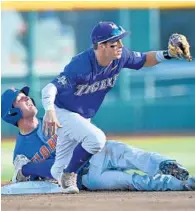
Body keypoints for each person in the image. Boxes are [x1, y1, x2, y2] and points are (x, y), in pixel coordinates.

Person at [41, 21, 192, 193]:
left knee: (59, 168)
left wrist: (168, 54)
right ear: (101, 46)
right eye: (115, 42)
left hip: (82, 118)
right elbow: (50, 87)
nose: (120, 45)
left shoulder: (120, 57)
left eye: (120, 40)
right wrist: (50, 110)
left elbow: (144, 59)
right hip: (63, 112)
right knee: (96, 139)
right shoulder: (80, 65)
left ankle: (63, 173)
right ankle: (70, 174)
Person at [1, 87, 195, 192]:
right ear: (12, 113)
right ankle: (184, 185)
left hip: (98, 153)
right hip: (89, 178)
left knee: (137, 156)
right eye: (20, 99)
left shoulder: (55, 118)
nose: (27, 98)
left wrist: (29, 168)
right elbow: (52, 173)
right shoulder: (22, 153)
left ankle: (172, 167)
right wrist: (27, 169)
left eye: (26, 96)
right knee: (135, 182)